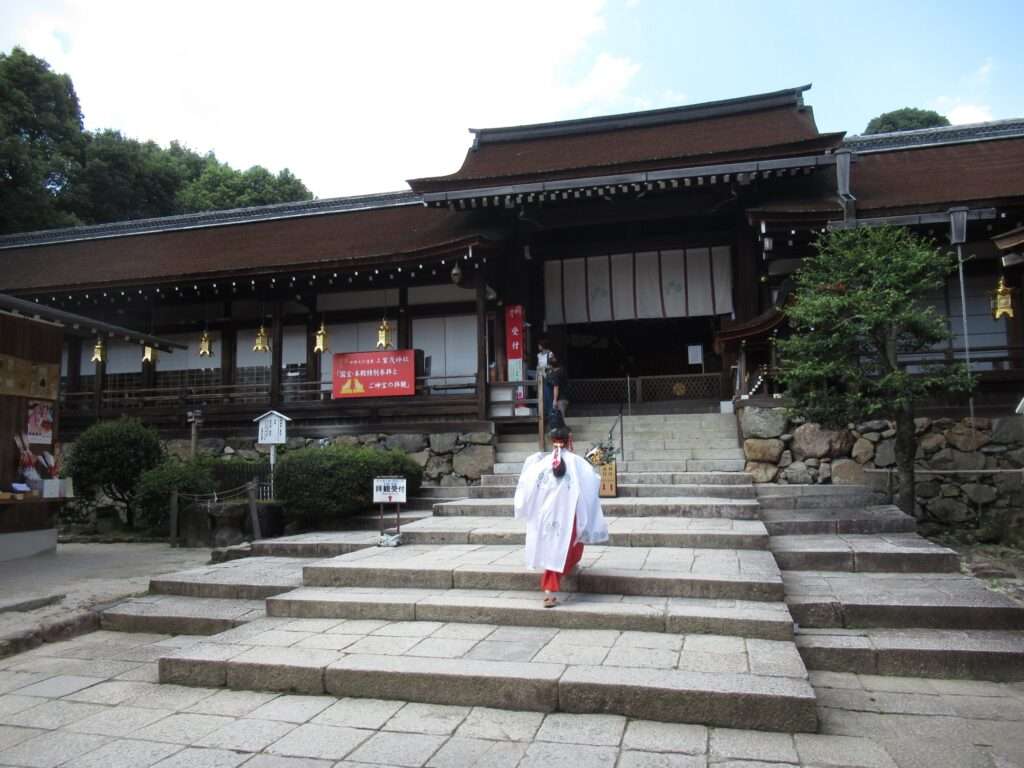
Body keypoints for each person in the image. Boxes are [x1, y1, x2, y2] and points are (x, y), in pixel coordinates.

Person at [513, 412, 607, 607]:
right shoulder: (578, 463)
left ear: (551, 440)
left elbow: (526, 488)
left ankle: (555, 582)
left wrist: (526, 510)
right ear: (568, 440)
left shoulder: (538, 464)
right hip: (568, 515)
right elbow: (592, 481)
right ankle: (549, 590)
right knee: (564, 548)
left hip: (545, 516)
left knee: (554, 549)